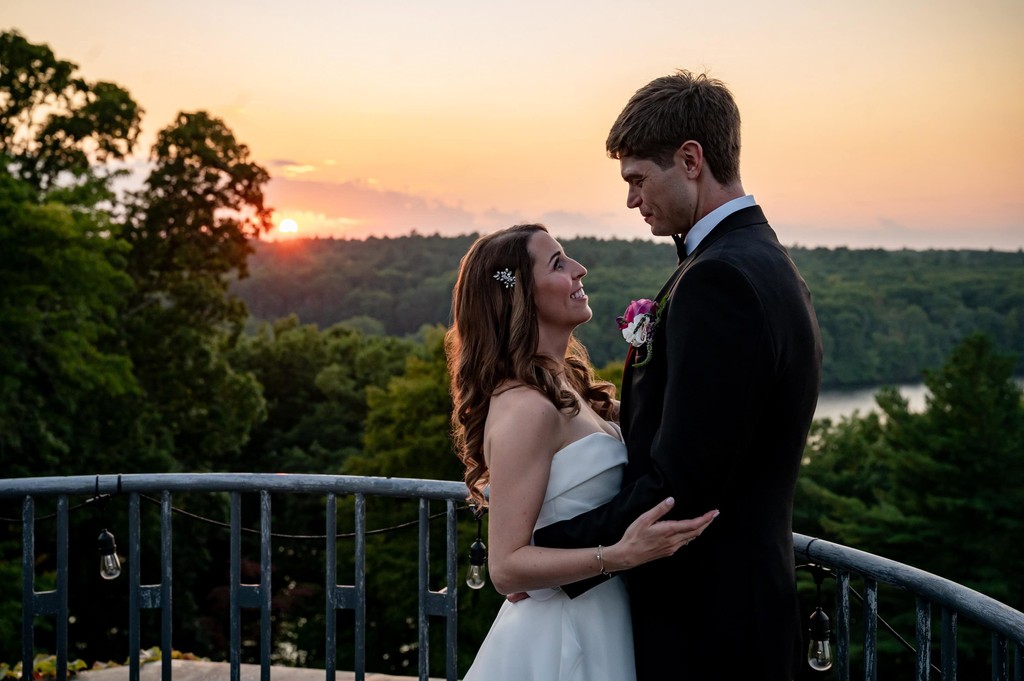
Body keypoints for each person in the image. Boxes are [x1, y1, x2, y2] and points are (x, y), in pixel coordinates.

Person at [532, 70, 824, 680]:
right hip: (736, 608)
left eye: (638, 179)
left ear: (690, 159)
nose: (633, 201)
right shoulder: (759, 260)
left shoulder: (720, 282)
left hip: (712, 624)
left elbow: (679, 490)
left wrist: (545, 553)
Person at [445, 223, 719, 681]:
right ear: (520, 298)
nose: (579, 269)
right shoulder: (527, 408)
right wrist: (619, 555)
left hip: (603, 613)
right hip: (560, 634)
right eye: (558, 264)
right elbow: (507, 568)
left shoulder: (568, 388)